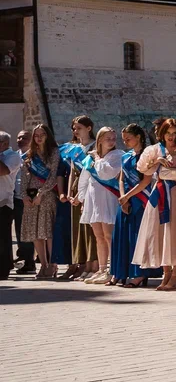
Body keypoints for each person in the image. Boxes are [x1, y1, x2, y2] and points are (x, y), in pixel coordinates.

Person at [131, 117, 176, 290]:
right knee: (159, 233)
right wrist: (157, 161)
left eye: (174, 133)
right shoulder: (154, 150)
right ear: (162, 133)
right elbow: (142, 169)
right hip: (159, 192)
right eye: (168, 133)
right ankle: (166, 273)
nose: (171, 136)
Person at [110, 124, 159, 288]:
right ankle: (120, 272)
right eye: (123, 139)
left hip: (140, 200)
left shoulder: (146, 155)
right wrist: (123, 196)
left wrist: (127, 196)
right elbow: (121, 179)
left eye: (128, 139)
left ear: (138, 137)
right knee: (122, 236)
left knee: (137, 237)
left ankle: (139, 274)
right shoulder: (126, 156)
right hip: (125, 200)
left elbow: (145, 181)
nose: (125, 142)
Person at [79, 126, 122, 284]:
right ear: (100, 140)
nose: (111, 141)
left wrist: (97, 157)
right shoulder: (90, 157)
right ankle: (102, 269)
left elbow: (106, 173)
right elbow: (84, 178)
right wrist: (82, 199)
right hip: (93, 198)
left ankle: (112, 269)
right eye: (107, 139)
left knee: (108, 235)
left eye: (113, 138)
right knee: (99, 236)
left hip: (108, 197)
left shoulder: (117, 155)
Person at [20, 124, 62, 278]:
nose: (39, 138)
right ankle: (43, 265)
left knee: (48, 231)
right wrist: (24, 195)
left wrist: (41, 193)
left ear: (48, 136)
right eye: (36, 135)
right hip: (31, 195)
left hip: (47, 195)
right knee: (35, 231)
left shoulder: (54, 152)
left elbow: (53, 176)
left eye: (42, 134)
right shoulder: (29, 154)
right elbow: (24, 177)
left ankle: (52, 264)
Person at [60, 115, 96, 280]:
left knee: (90, 229)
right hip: (76, 191)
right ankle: (82, 264)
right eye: (74, 128)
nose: (76, 131)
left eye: (79, 128)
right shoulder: (74, 149)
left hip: (89, 190)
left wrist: (81, 195)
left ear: (89, 128)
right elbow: (73, 172)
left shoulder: (94, 146)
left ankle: (92, 265)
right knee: (78, 230)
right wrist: (69, 193)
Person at [0, 132, 22, 280]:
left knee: (3, 239)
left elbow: (3, 171)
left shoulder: (13, 156)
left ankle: (3, 270)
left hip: (3, 203)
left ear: (5, 143)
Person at [12, 129, 35, 274]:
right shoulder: (14, 156)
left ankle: (29, 261)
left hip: (29, 198)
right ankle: (23, 256)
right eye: (19, 137)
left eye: (24, 138)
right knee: (19, 230)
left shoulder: (34, 157)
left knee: (27, 231)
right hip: (15, 197)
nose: (21, 140)